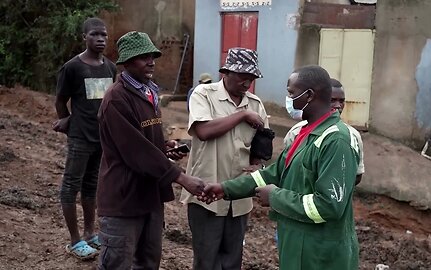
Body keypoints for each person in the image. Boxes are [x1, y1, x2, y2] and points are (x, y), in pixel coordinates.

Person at [200, 65, 360, 270]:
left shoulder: (336, 140)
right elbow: (272, 174)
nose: (289, 100)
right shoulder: (306, 133)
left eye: (291, 93)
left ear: (309, 95)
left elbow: (329, 206)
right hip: (297, 242)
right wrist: (226, 189)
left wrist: (275, 197)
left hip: (320, 253)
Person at [96, 31, 205, 269]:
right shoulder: (116, 99)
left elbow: (147, 140)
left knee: (148, 262)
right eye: (142, 57)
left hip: (150, 196)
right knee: (118, 263)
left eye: (152, 56)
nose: (151, 61)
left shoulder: (149, 92)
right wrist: (181, 177)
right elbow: (136, 150)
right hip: (124, 200)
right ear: (126, 62)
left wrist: (165, 147)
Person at [180, 47, 269, 270]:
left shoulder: (256, 104)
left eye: (251, 78)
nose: (247, 82)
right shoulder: (204, 94)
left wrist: (258, 164)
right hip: (206, 191)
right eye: (242, 76)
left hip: (239, 196)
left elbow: (262, 143)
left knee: (232, 259)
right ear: (226, 72)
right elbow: (204, 131)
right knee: (206, 259)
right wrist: (242, 115)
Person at [52, 17, 116, 260]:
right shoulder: (72, 68)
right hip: (80, 138)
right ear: (84, 38)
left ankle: (90, 233)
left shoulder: (110, 68)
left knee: (91, 185)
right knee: (71, 185)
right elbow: (60, 100)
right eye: (95, 35)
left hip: (102, 138)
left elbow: (108, 103)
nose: (100, 39)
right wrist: (68, 122)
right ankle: (75, 240)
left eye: (104, 35)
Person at [284, 78, 365, 185]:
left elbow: (357, 176)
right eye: (332, 100)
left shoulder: (351, 135)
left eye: (341, 101)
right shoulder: (297, 131)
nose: (338, 106)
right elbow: (285, 167)